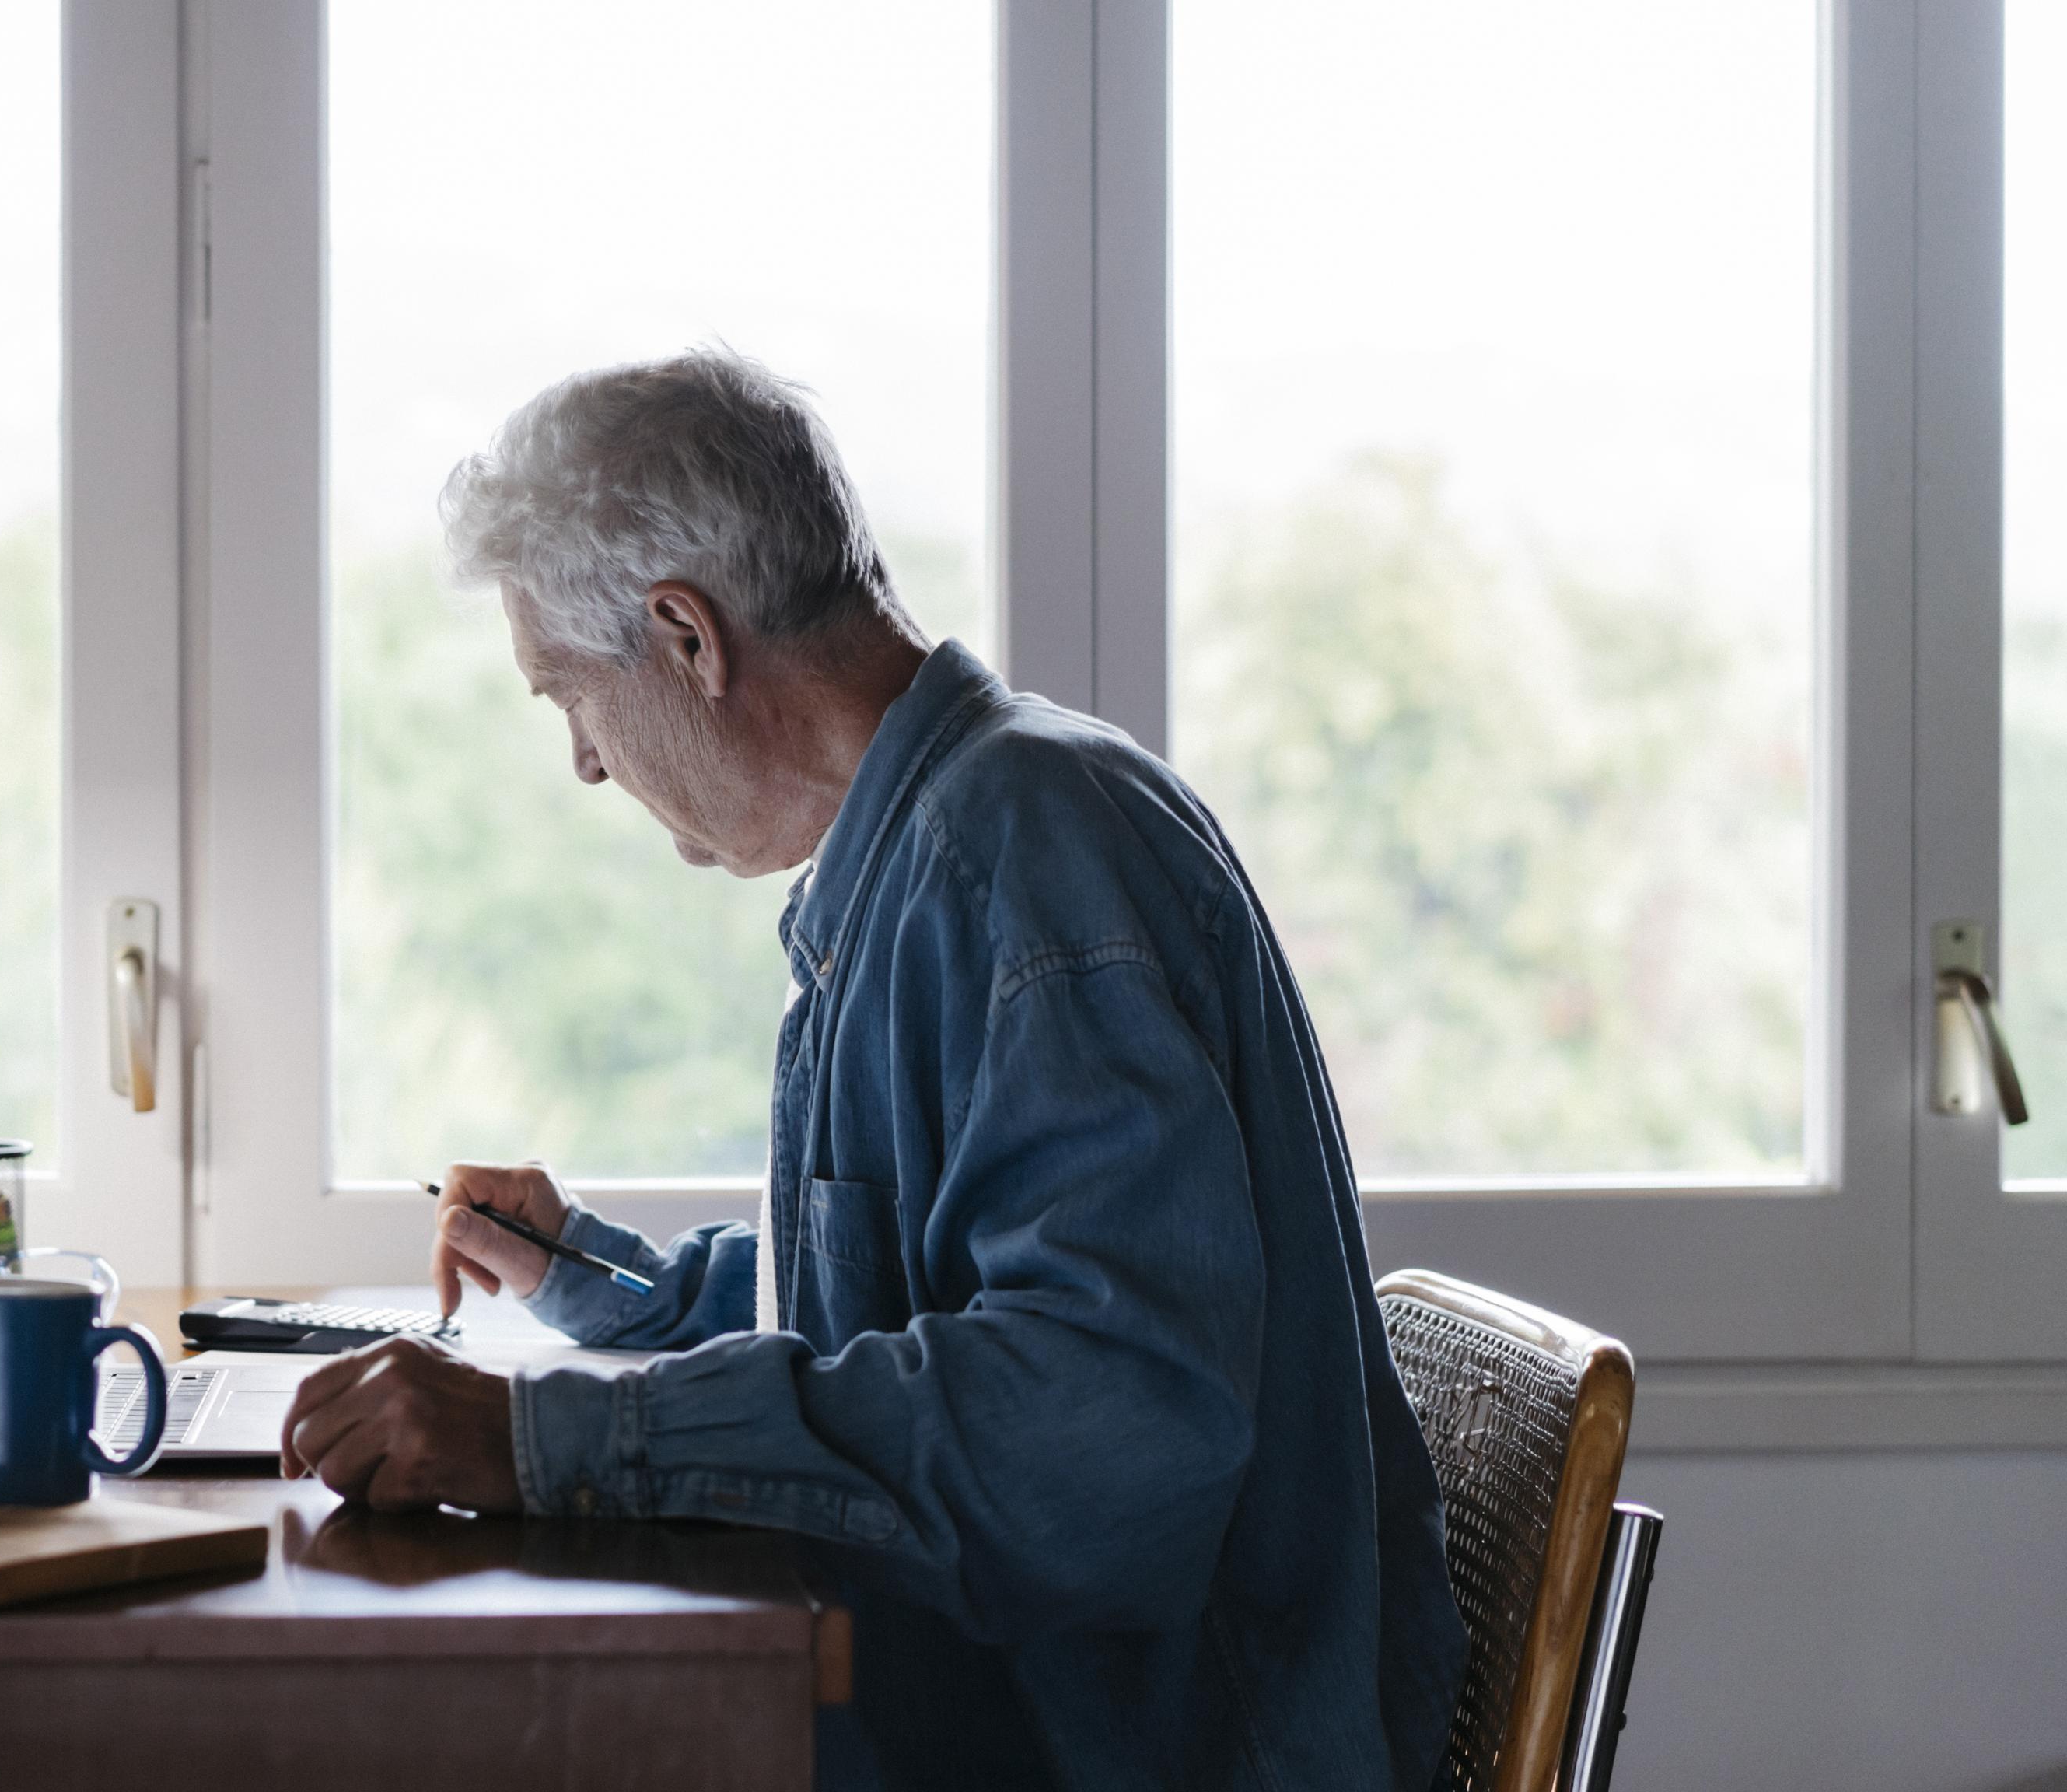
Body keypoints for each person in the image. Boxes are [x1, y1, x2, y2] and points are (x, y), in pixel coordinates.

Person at [275, 348, 1464, 1789]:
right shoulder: (945, 841)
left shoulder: (1019, 858)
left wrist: (550, 1437)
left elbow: (1100, 1420)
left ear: (686, 639)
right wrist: (604, 1280)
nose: (585, 764)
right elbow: (894, 1317)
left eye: (565, 698)